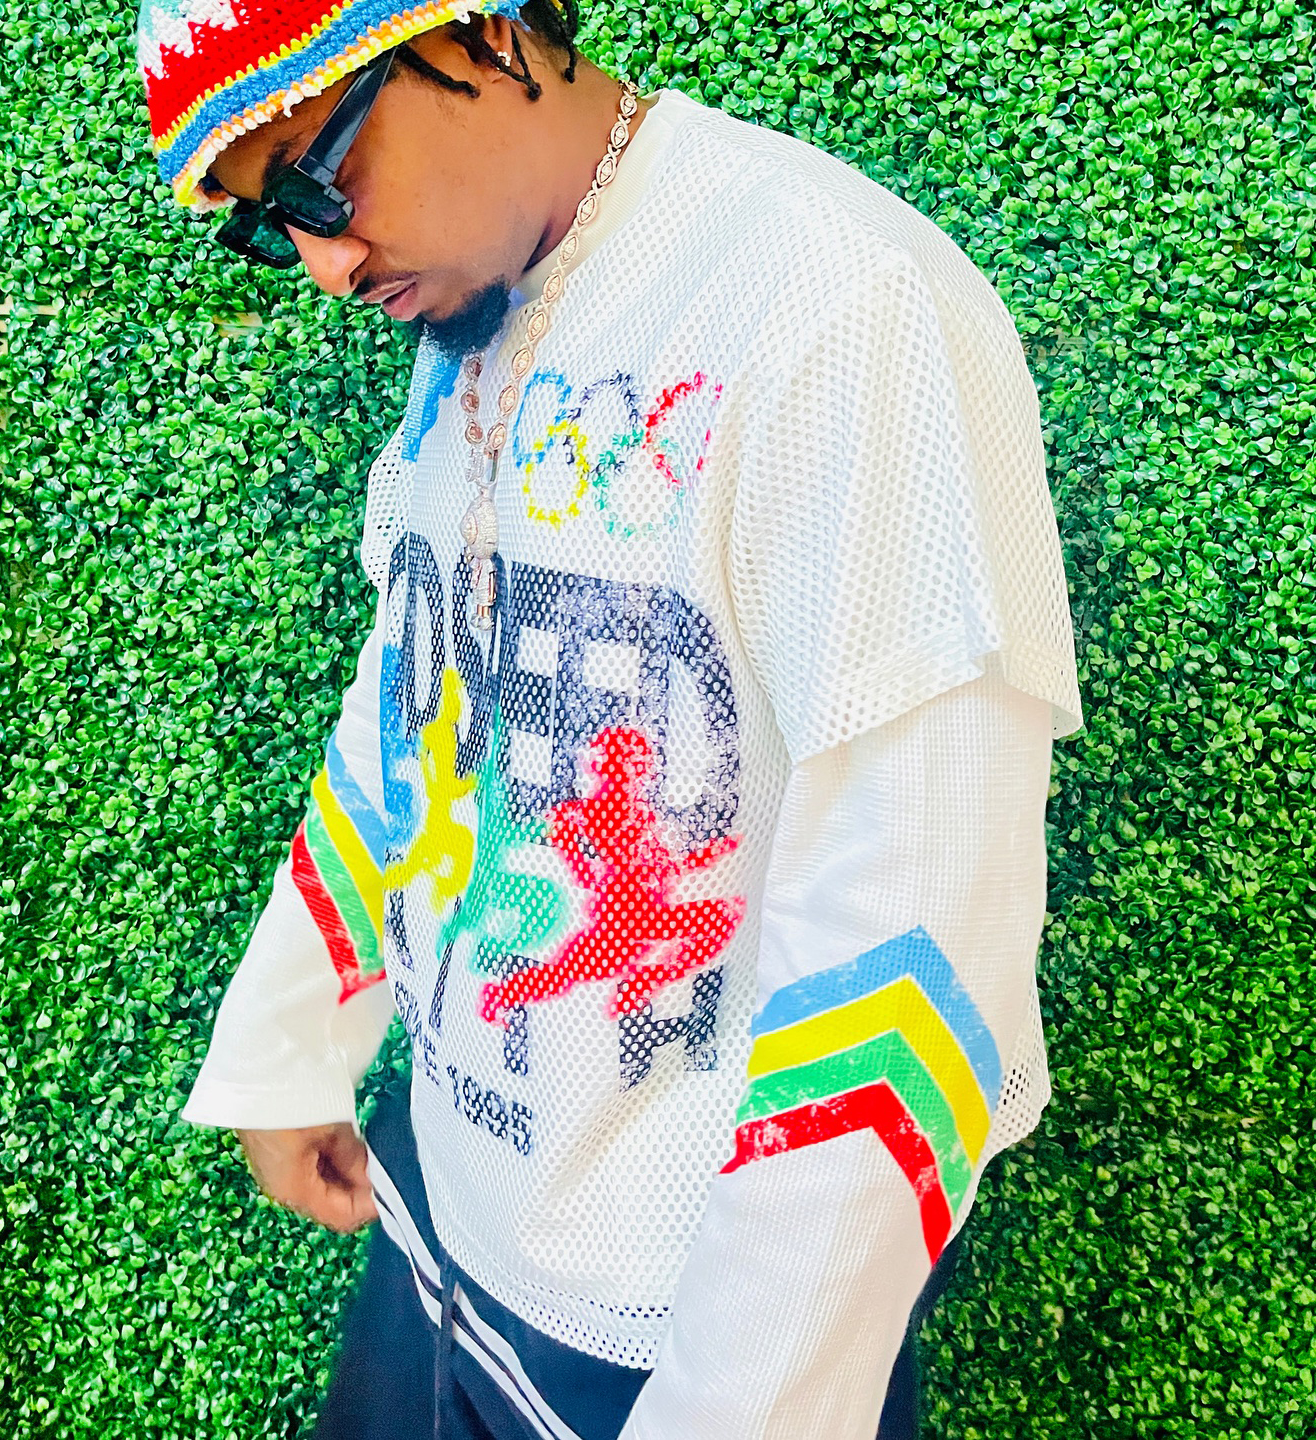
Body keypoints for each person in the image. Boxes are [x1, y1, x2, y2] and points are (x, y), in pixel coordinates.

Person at [134, 2, 1084, 1436]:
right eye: (271, 226)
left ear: (488, 34)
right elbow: (419, 690)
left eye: (319, 178)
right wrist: (292, 1040)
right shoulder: (483, 284)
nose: (326, 263)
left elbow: (915, 932)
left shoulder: (841, 308)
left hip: (686, 1318)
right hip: (436, 1202)